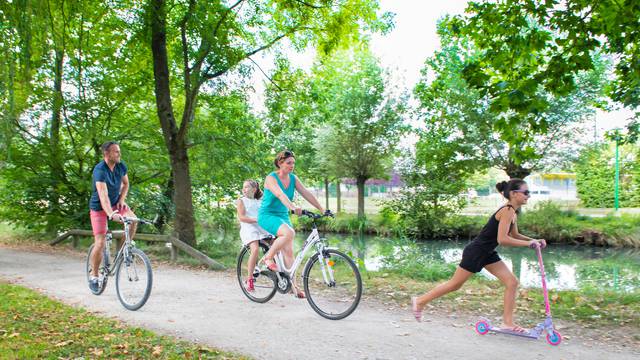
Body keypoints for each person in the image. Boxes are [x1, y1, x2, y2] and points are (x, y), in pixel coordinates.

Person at [410, 178, 547, 333]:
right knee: (455, 284)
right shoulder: (507, 210)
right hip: (476, 251)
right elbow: (502, 239)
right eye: (526, 192)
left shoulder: (512, 213)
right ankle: (420, 301)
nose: (528, 196)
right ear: (514, 194)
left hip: (487, 252)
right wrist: (528, 244)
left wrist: (533, 240)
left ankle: (507, 323)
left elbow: (515, 234)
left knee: (512, 282)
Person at [257, 150, 326, 298]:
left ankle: (293, 287)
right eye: (289, 163)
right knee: (289, 233)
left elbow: (306, 193)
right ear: (280, 163)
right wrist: (293, 208)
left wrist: (322, 209)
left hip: (282, 216)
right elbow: (280, 194)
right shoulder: (271, 178)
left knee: (289, 253)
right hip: (267, 215)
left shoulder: (293, 179)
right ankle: (268, 257)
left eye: (293, 163)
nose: (292, 165)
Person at [88, 141, 137, 292]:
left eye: (119, 151)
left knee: (133, 220)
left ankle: (122, 252)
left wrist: (122, 200)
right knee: (100, 243)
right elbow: (103, 195)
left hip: (116, 204)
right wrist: (110, 214)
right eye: (116, 152)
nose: (119, 154)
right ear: (107, 154)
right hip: (99, 208)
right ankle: (94, 276)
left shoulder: (121, 166)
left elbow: (126, 184)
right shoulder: (99, 170)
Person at [236, 180, 270, 292]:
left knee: (276, 243)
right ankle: (249, 279)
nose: (243, 189)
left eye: (246, 187)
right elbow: (241, 217)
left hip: (260, 227)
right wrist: (256, 219)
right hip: (248, 227)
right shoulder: (242, 201)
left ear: (254, 189)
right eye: (243, 187)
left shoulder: (259, 201)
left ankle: (273, 267)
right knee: (255, 249)